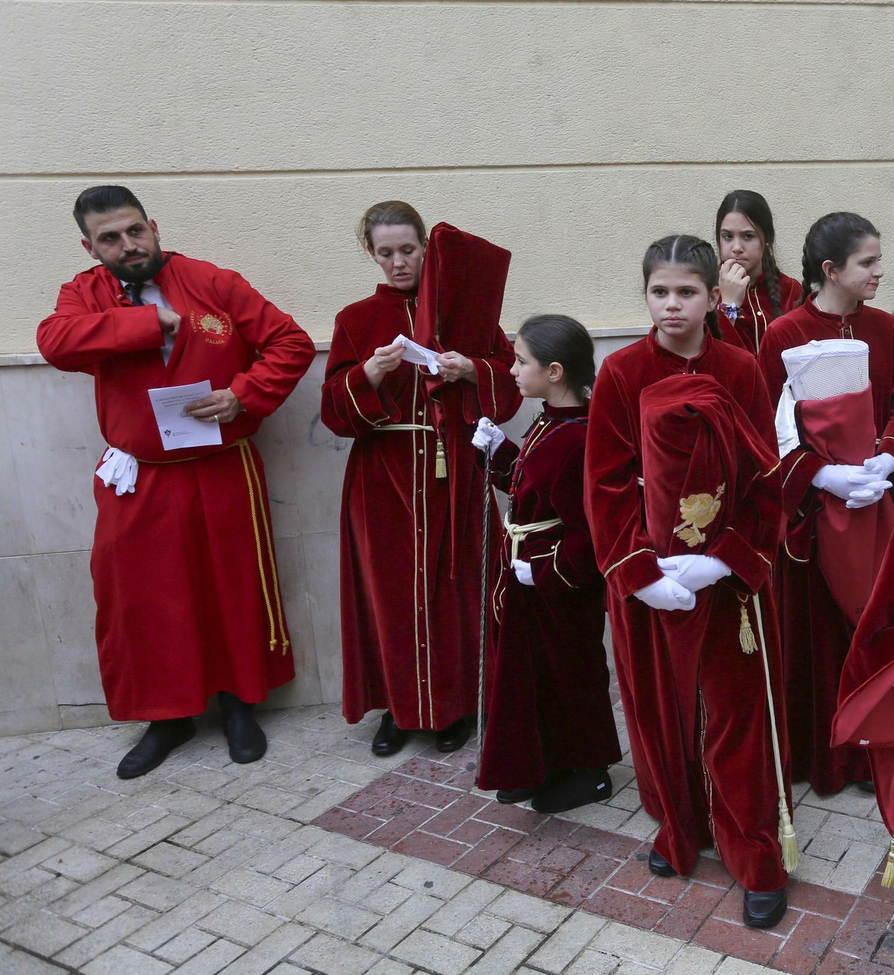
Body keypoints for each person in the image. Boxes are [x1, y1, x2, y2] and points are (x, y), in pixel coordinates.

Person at [37, 185, 314, 778]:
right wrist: (143, 323)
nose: (128, 244)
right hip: (140, 478)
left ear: (154, 226)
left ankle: (241, 705)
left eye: (135, 230)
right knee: (141, 601)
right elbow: (54, 342)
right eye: (110, 238)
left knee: (232, 587)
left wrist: (241, 395)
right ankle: (168, 717)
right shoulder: (82, 295)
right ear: (90, 246)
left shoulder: (213, 282)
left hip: (221, 466)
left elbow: (289, 343)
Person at [585, 235, 792, 929]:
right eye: (659, 291)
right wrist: (637, 572)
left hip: (725, 580)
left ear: (713, 295)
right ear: (645, 294)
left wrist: (728, 555)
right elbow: (606, 484)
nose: (672, 304)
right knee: (661, 710)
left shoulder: (740, 368)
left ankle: (752, 847)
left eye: (687, 292)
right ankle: (679, 826)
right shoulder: (620, 372)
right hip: (653, 577)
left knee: (735, 717)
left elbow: (768, 476)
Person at [320, 202, 521, 757]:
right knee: (390, 596)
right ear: (371, 254)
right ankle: (400, 709)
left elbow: (509, 386)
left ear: (426, 249)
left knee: (455, 588)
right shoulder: (355, 320)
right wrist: (368, 374)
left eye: (408, 250)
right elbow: (334, 412)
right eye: (386, 253)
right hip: (381, 477)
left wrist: (469, 370)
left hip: (452, 467)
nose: (398, 262)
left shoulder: (467, 313)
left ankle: (455, 706)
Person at [758, 213, 894, 795]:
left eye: (880, 259)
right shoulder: (784, 334)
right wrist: (820, 476)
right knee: (825, 638)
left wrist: (889, 458)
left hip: (878, 512)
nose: (881, 272)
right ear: (831, 270)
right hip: (814, 521)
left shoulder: (885, 330)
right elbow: (764, 432)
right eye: (869, 262)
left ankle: (878, 750)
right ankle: (828, 756)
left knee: (878, 628)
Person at [469, 315, 619, 811]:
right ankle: (546, 762)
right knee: (536, 677)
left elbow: (590, 529)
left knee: (570, 674)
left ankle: (591, 769)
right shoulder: (550, 421)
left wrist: (547, 571)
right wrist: (498, 452)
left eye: (520, 361)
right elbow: (531, 484)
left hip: (559, 587)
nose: (512, 370)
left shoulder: (579, 436)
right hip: (528, 578)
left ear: (554, 371)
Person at [715, 190, 804, 355]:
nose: (736, 248)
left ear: (767, 238)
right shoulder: (706, 290)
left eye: (748, 236)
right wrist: (729, 305)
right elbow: (711, 355)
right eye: (727, 236)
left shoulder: (791, 289)